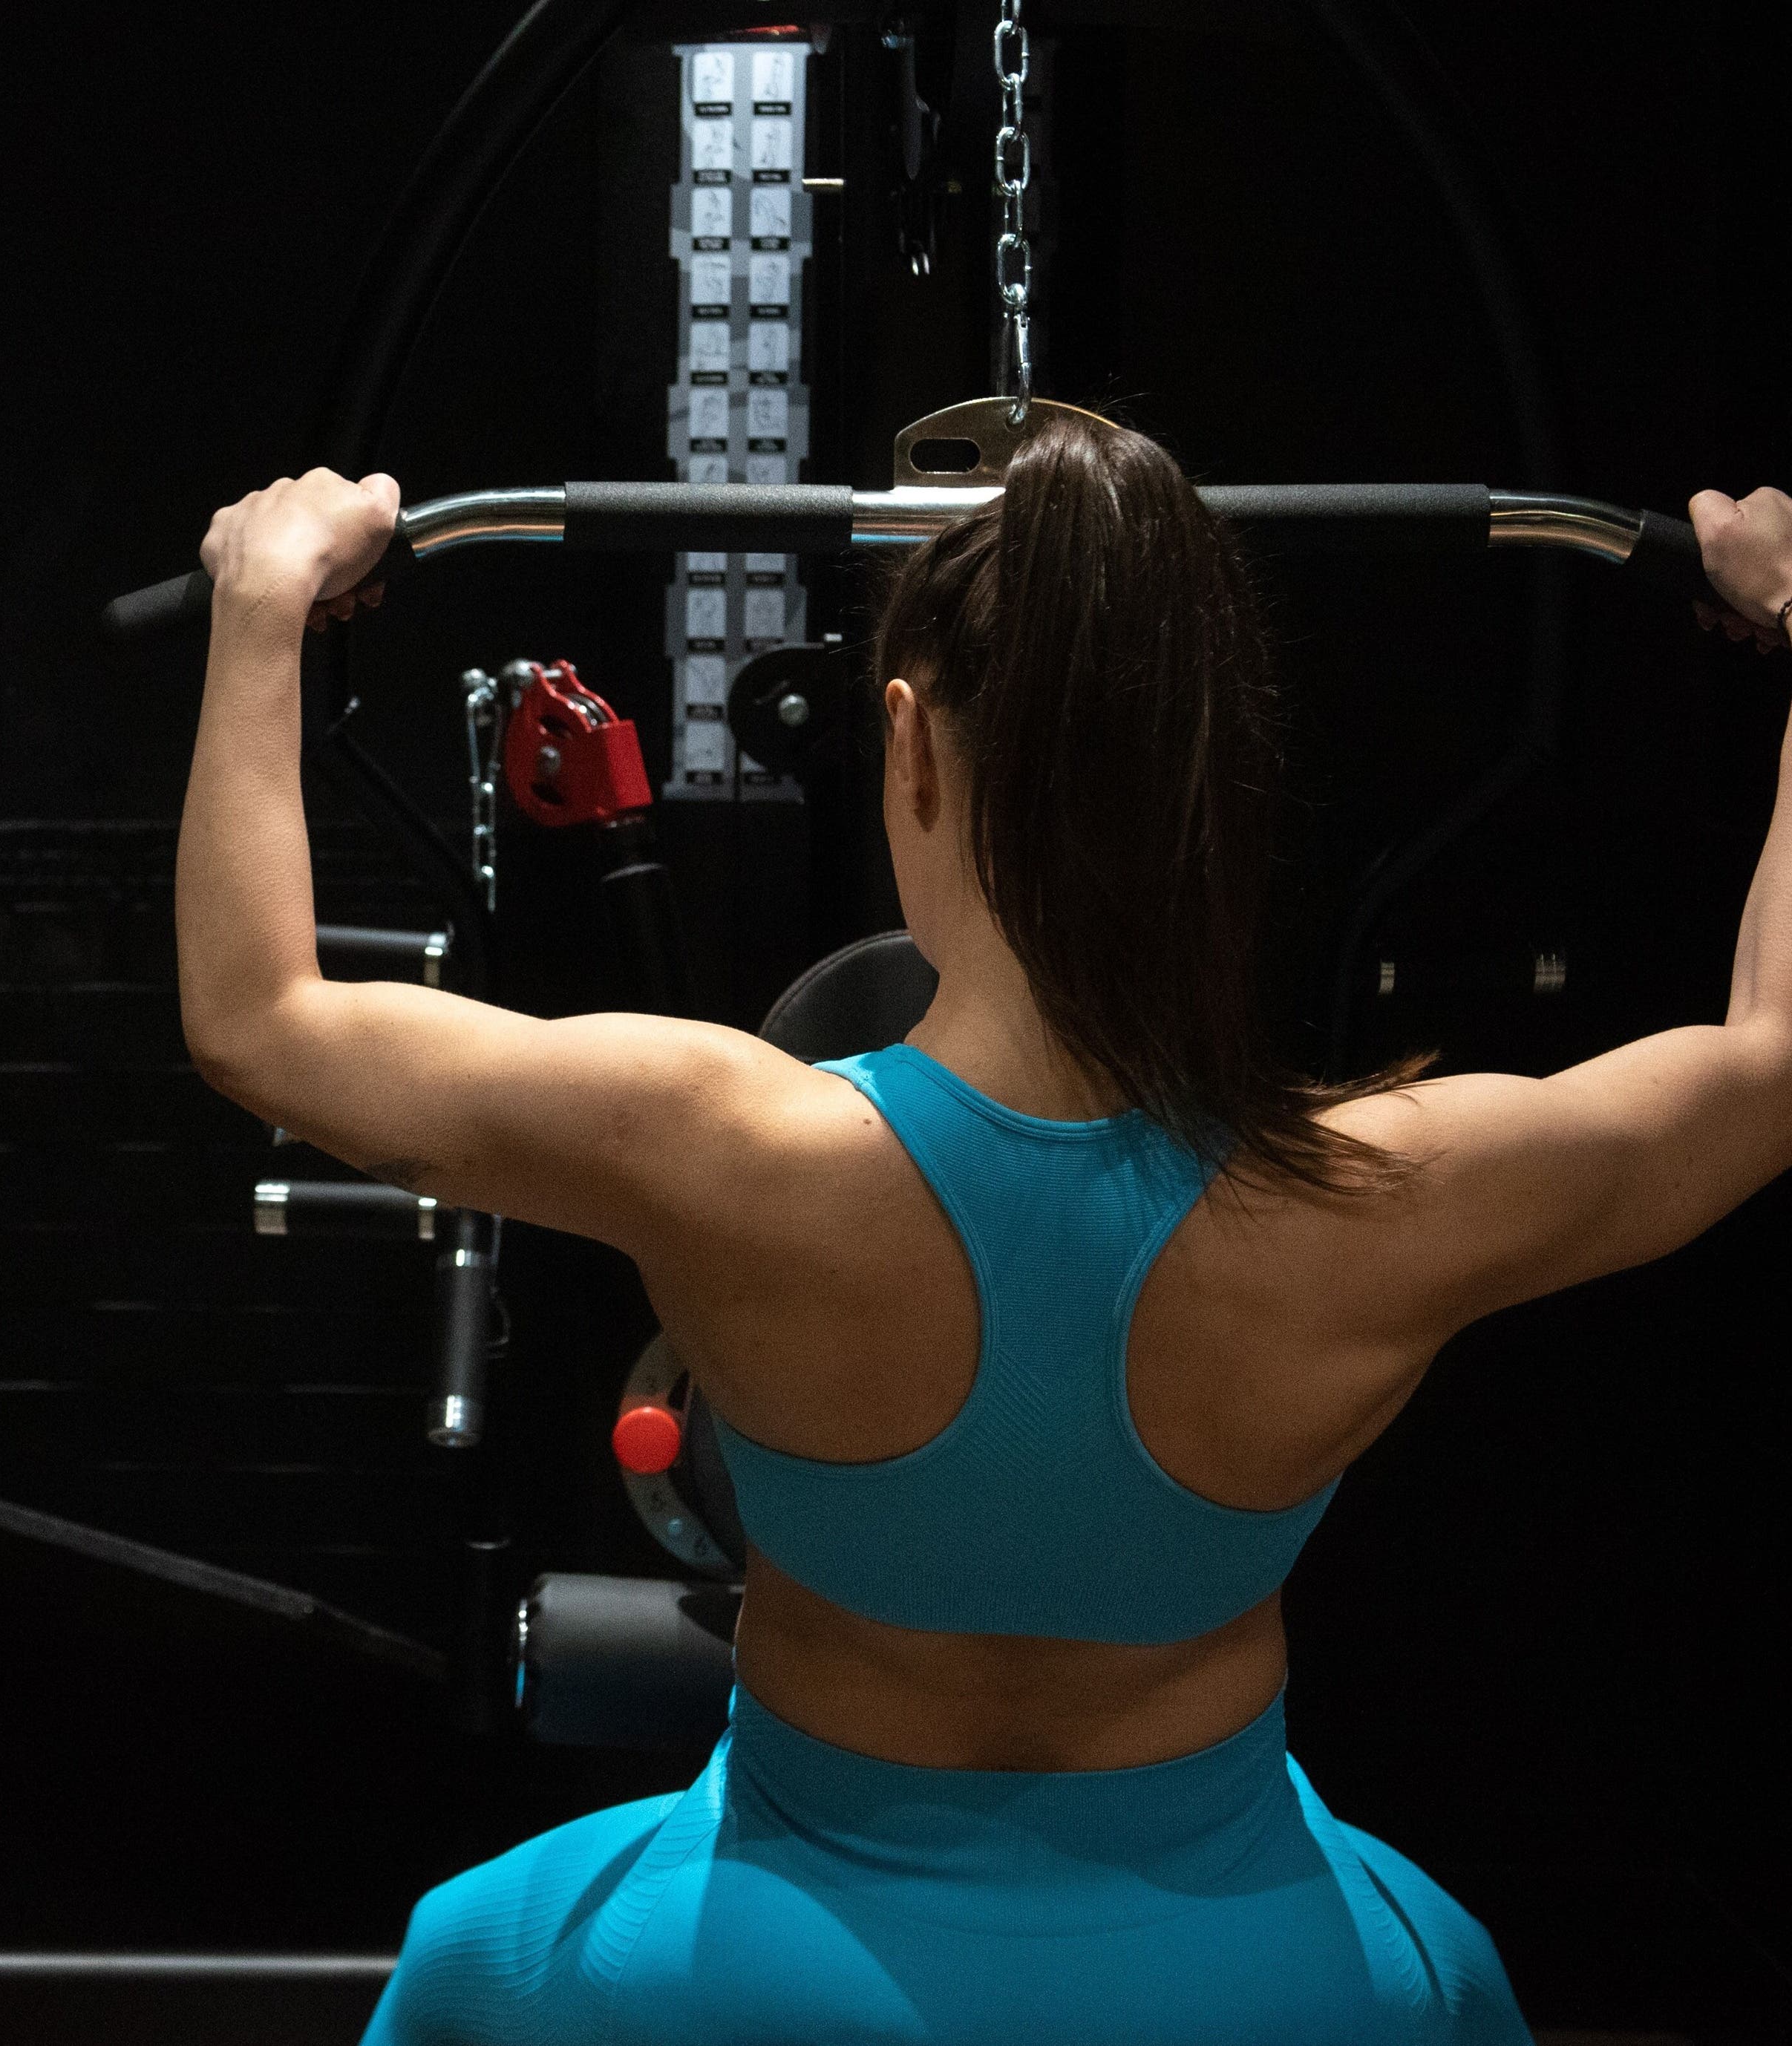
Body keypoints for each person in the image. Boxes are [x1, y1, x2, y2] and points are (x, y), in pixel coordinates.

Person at [173, 418, 1792, 2044]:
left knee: (478, 1958)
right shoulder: (1377, 1194)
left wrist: (265, 600)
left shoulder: (726, 1144)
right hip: (1255, 1968)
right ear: (1218, 777)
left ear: (912, 747)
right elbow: (1768, 1064)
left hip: (763, 1947)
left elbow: (261, 1021)